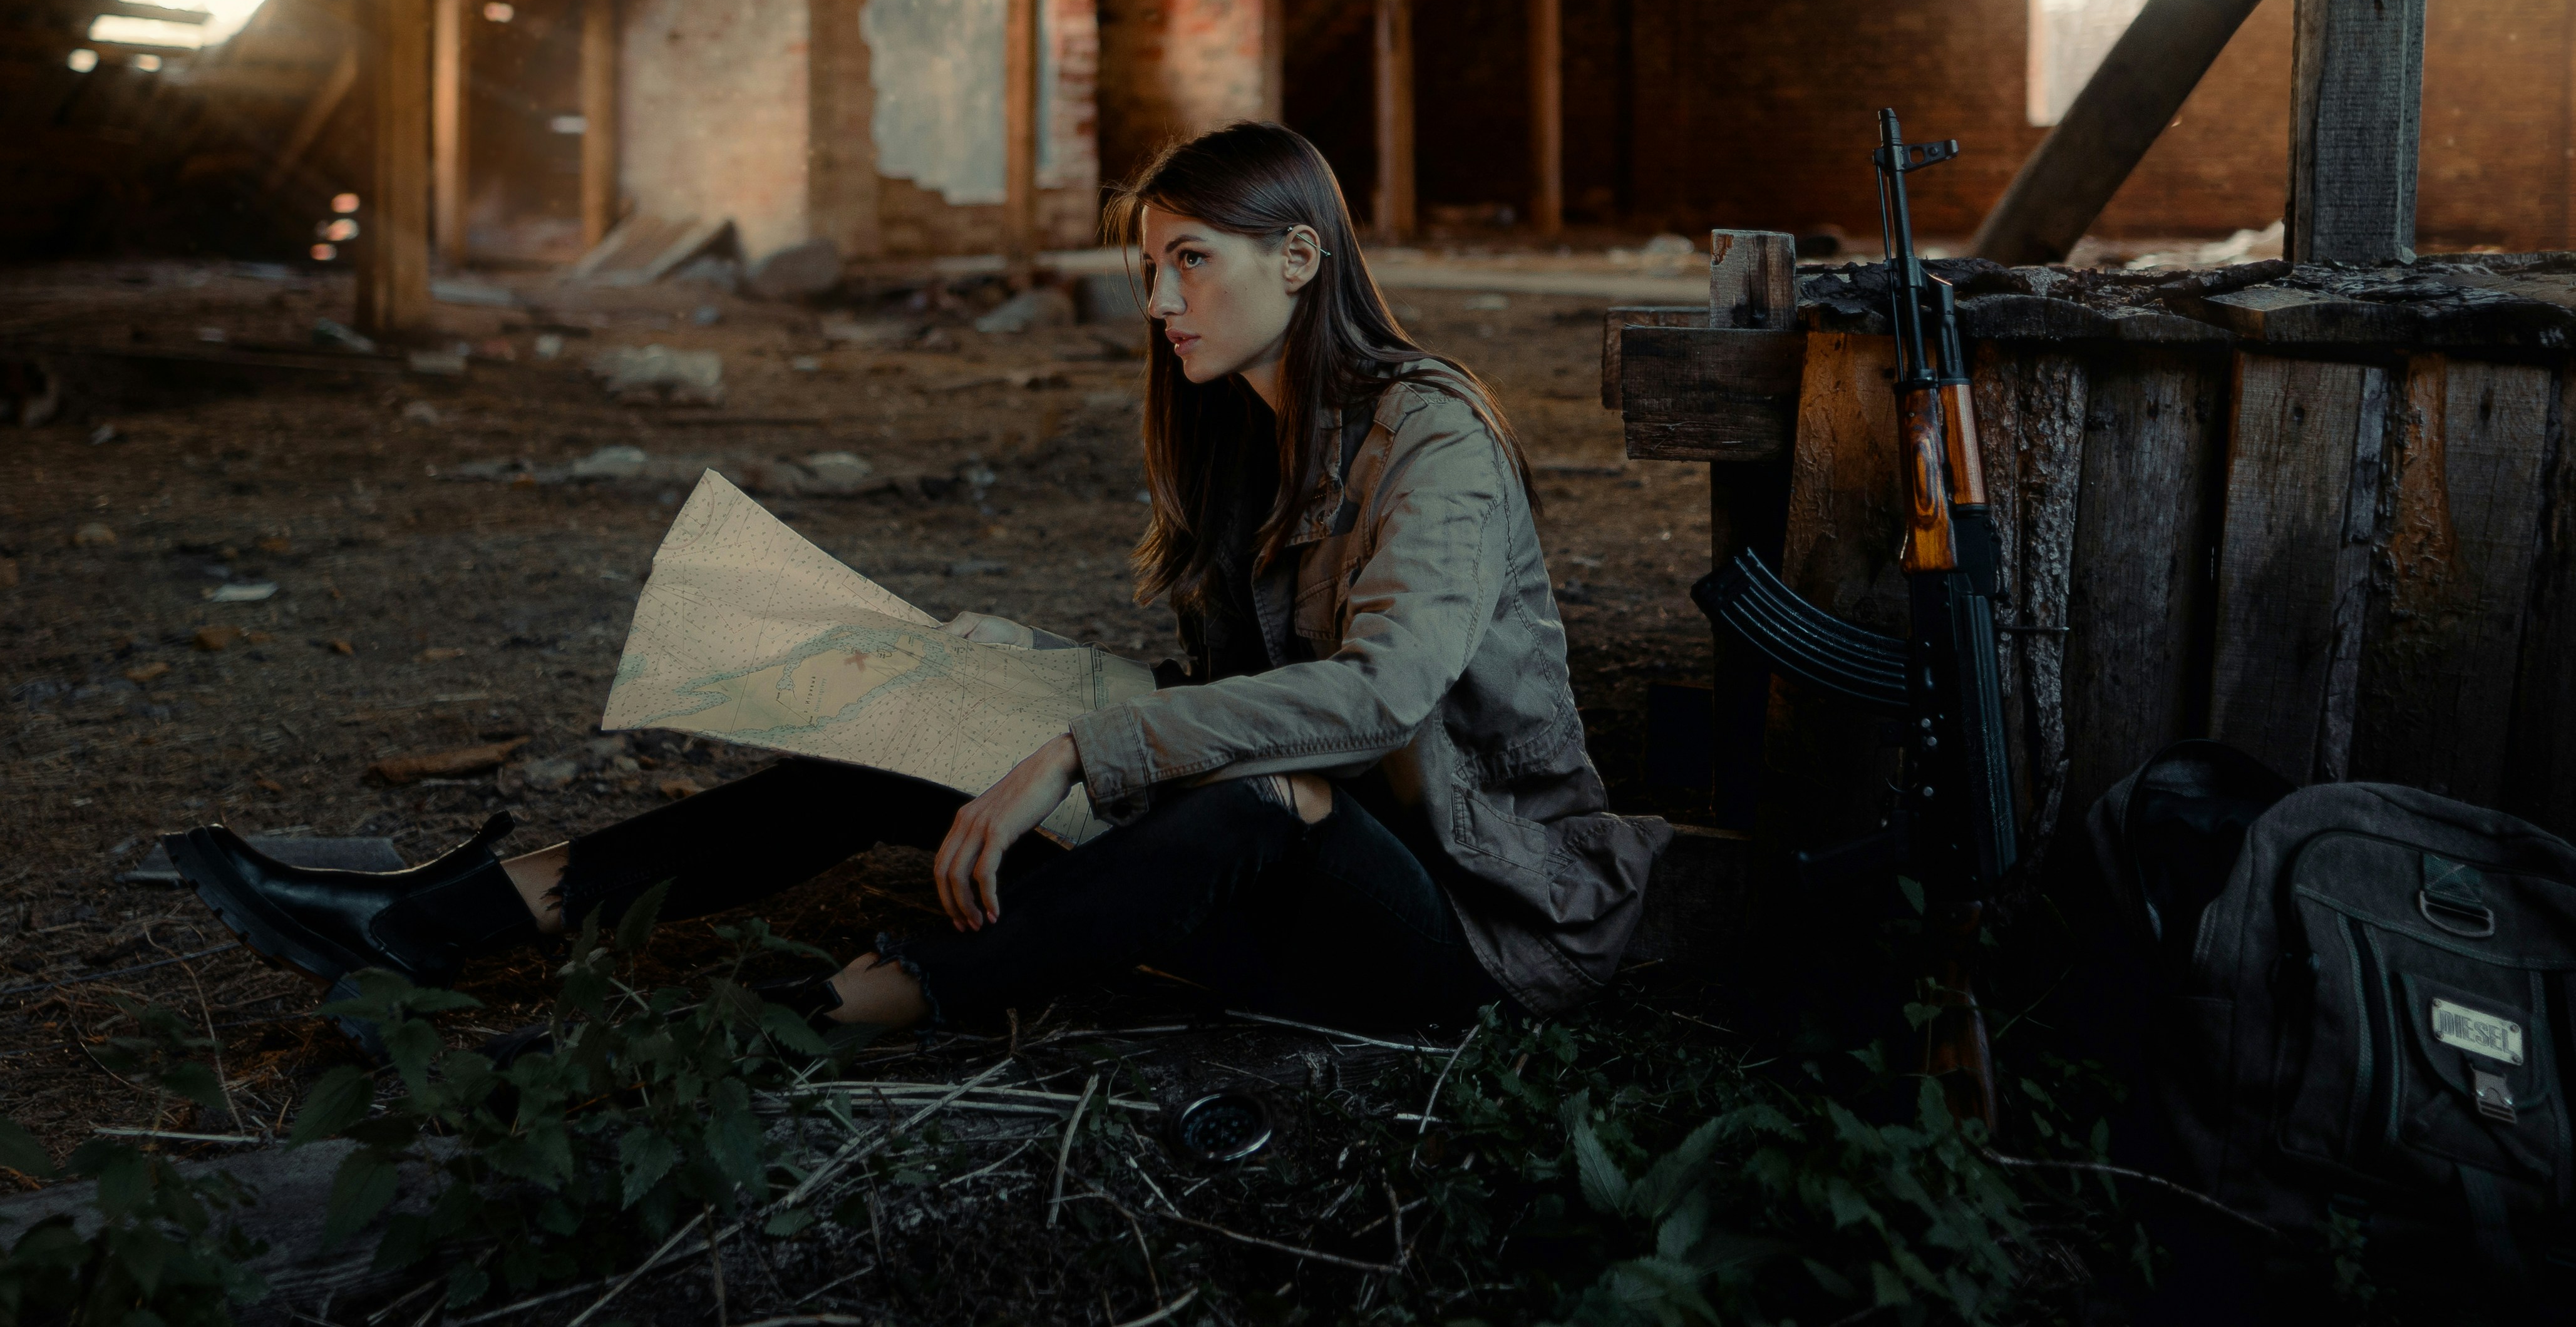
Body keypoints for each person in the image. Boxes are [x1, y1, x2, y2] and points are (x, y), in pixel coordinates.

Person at [165, 121, 1669, 1035]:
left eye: (1189, 263)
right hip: (1269, 857)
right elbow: (1226, 692)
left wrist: (1086, 744)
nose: (1155, 302)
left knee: (1251, 796)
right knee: (909, 723)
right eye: (1146, 267)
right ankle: (435, 927)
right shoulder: (1242, 444)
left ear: (1297, 258)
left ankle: (806, 1023)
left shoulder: (1432, 435)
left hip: (1469, 924)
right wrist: (996, 687)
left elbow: (1379, 695)